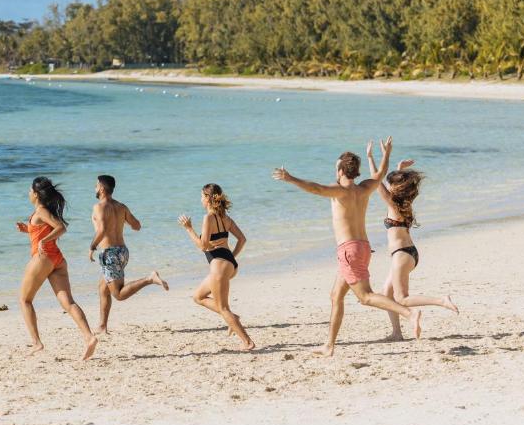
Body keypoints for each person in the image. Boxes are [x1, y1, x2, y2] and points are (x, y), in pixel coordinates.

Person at [272, 137, 421, 356]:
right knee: (336, 295)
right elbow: (380, 174)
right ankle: (329, 346)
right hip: (361, 248)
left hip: (349, 251)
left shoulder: (339, 191)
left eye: (336, 167)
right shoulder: (364, 188)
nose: (335, 171)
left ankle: (409, 314)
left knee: (366, 297)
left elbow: (315, 188)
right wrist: (386, 153)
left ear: (341, 170)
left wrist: (290, 178)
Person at [366, 152, 459, 341]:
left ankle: (441, 300)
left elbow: (376, 183)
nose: (389, 186)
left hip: (401, 256)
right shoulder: (404, 204)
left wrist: (370, 157)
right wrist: (400, 168)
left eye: (392, 183)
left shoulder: (394, 205)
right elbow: (393, 188)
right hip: (409, 254)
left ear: (396, 189)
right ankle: (397, 333)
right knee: (387, 293)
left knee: (402, 299)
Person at [16, 177, 98, 360]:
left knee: (24, 300)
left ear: (36, 194)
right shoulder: (41, 212)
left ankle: (37, 343)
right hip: (57, 260)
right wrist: (28, 230)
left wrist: (44, 241)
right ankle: (89, 337)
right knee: (68, 303)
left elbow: (61, 228)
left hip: (43, 259)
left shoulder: (41, 210)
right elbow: (44, 229)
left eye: (30, 191)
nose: (28, 194)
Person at [178, 183, 255, 351]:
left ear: (207, 198)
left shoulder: (209, 218)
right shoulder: (226, 218)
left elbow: (203, 246)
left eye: (201, 196)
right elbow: (242, 239)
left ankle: (247, 341)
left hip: (219, 266)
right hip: (229, 264)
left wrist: (189, 229)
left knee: (223, 308)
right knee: (198, 296)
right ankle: (233, 318)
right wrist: (231, 257)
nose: (200, 199)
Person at [88, 175, 168, 334]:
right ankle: (102, 326)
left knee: (118, 294)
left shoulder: (99, 207)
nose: (95, 188)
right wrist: (119, 222)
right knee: (103, 288)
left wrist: (92, 247)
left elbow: (102, 230)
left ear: (102, 189)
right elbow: (137, 226)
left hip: (110, 254)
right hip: (122, 252)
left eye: (96, 185)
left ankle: (149, 278)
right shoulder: (121, 207)